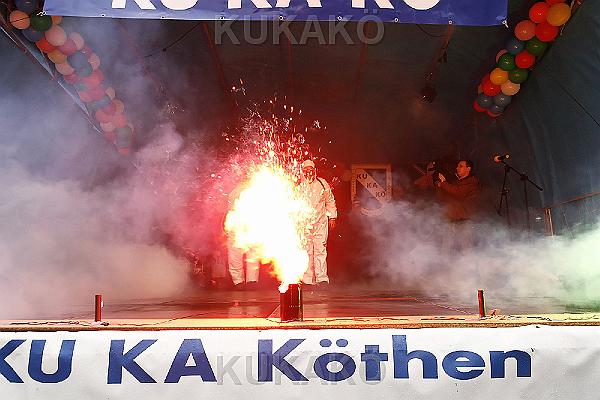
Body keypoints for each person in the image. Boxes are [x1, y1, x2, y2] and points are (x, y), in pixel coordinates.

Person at [300, 159, 337, 286]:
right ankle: (307, 279)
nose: (308, 172)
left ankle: (322, 278)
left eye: (311, 170)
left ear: (315, 170)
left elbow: (330, 201)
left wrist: (332, 217)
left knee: (320, 250)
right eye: (306, 170)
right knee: (306, 251)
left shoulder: (322, 183)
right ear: (302, 171)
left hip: (320, 223)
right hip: (304, 224)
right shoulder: (298, 185)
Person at [435, 159, 481, 254]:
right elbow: (442, 198)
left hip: (465, 220)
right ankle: (445, 262)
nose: (457, 168)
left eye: (460, 166)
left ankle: (467, 263)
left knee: (466, 248)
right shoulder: (455, 182)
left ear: (468, 169)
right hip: (451, 218)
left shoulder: (473, 182)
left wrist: (444, 183)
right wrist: (440, 186)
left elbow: (458, 192)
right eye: (457, 166)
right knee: (446, 247)